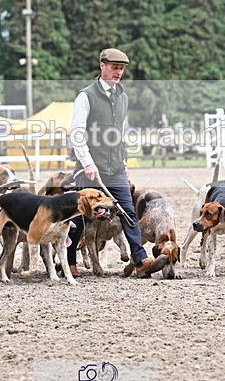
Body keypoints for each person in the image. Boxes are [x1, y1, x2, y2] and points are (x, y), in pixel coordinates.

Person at [67, 48, 169, 278]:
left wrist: (123, 161)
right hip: (90, 169)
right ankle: (70, 260)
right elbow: (77, 132)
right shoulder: (86, 96)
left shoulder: (122, 97)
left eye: (121, 69)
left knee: (128, 213)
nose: (118, 72)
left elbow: (118, 134)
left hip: (115, 169)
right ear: (102, 65)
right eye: (114, 67)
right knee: (81, 218)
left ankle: (141, 260)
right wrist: (86, 162)